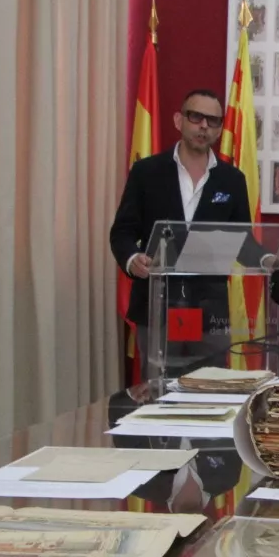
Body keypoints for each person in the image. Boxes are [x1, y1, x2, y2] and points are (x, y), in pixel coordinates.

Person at [109, 89, 252, 366]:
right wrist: (131, 259)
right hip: (157, 307)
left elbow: (242, 239)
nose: (204, 126)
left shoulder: (232, 179)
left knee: (210, 396)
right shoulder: (146, 172)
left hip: (210, 313)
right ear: (179, 120)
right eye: (196, 116)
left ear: (220, 128)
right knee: (160, 399)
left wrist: (269, 258)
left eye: (213, 121)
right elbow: (123, 231)